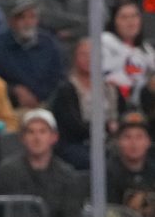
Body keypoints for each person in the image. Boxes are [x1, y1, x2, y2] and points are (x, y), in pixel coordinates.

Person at [0, 107, 84, 217]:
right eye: (31, 132)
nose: (37, 138)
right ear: (22, 138)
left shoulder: (66, 174)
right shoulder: (7, 170)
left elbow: (71, 214)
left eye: (42, 132)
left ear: (54, 137)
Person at [0, 0, 64, 110]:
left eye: (32, 17)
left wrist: (38, 97)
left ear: (37, 20)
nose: (27, 22)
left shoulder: (50, 44)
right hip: (7, 107)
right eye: (22, 18)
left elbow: (58, 78)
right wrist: (13, 90)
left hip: (46, 106)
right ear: (11, 21)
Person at [50, 36, 118, 169]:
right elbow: (73, 125)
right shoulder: (66, 89)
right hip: (77, 143)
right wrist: (106, 127)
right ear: (75, 57)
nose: (88, 58)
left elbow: (118, 116)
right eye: (83, 54)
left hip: (110, 141)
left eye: (92, 54)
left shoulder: (109, 87)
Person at [101, 1, 155, 109]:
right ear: (114, 21)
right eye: (124, 17)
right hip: (109, 104)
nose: (130, 21)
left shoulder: (148, 51)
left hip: (140, 106)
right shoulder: (105, 42)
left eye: (134, 16)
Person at [107, 112, 155, 214]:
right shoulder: (108, 175)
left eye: (139, 137)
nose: (134, 143)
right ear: (118, 142)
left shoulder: (153, 171)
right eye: (127, 137)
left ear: (148, 142)